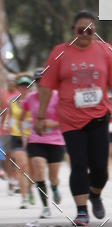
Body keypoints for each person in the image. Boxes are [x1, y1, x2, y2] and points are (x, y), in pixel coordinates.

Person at [34, 10, 112, 226]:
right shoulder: (59, 53)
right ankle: (81, 210)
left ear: (95, 32)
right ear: (72, 31)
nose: (85, 34)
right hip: (70, 119)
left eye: (90, 30)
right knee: (78, 164)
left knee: (100, 168)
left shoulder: (106, 51)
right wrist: (40, 117)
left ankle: (95, 194)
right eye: (80, 30)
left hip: (99, 116)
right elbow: (46, 88)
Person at [22, 69, 65, 218]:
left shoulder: (57, 97)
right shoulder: (30, 98)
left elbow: (65, 120)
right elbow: (21, 117)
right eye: (38, 81)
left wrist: (50, 124)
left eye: (44, 81)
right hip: (36, 140)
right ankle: (46, 207)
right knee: (39, 171)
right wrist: (24, 132)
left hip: (56, 141)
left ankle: (54, 188)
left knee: (53, 177)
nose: (41, 84)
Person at [7, 75, 34, 208]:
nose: (24, 88)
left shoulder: (34, 100)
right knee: (22, 166)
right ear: (18, 88)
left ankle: (30, 189)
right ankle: (24, 198)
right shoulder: (12, 101)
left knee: (32, 169)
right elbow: (10, 117)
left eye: (27, 86)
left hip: (32, 137)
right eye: (21, 86)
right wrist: (8, 125)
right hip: (16, 136)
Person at [1, 73, 18, 192]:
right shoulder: (2, 93)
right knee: (8, 156)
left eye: (13, 81)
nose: (11, 82)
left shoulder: (19, 93)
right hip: (5, 128)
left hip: (18, 128)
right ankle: (11, 182)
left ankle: (16, 178)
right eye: (9, 80)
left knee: (18, 155)